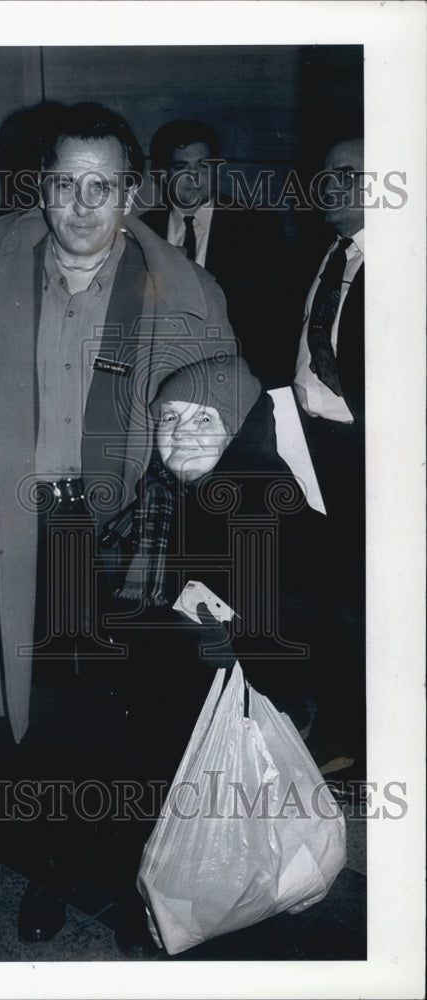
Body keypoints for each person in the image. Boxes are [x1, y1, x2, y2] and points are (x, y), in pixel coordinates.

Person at [0, 101, 236, 951]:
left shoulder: (178, 281)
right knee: (41, 722)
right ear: (40, 186)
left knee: (133, 718)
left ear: (131, 192)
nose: (80, 205)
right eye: (64, 183)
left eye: (101, 187)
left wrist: (206, 419)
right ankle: (54, 862)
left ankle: (140, 875)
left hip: (125, 524)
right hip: (21, 522)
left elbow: (223, 369)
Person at [99, 355, 324, 950]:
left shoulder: (259, 496)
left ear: (239, 424)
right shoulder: (169, 494)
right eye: (168, 417)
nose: (178, 432)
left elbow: (296, 631)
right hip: (188, 709)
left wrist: (230, 647)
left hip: (239, 714)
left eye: (204, 419)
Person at [291, 137, 365, 775]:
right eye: (328, 171)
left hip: (365, 456)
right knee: (326, 598)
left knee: (359, 604)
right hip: (313, 446)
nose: (330, 183)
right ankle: (337, 725)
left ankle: (356, 737)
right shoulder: (331, 253)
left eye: (347, 174)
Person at [140, 119, 292, 387]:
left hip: (239, 376)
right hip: (161, 378)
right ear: (162, 173)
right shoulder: (143, 231)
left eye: (203, 166)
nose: (194, 177)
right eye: (181, 167)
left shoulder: (257, 227)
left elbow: (275, 321)